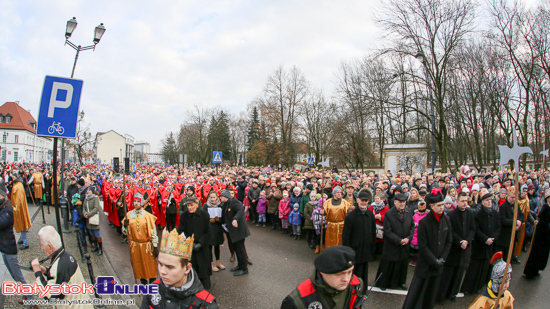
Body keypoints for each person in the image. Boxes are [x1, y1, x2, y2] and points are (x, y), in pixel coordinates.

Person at [141, 229, 218, 309]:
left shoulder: (205, 304)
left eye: (170, 267)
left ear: (187, 268)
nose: (162, 271)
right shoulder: (151, 291)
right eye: (160, 264)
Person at [402, 188, 452, 309]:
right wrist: (433, 260)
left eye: (443, 205)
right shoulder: (424, 222)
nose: (442, 208)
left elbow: (448, 241)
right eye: (439, 205)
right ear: (432, 206)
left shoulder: (447, 220)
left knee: (431, 295)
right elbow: (423, 246)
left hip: (439, 265)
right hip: (425, 265)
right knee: (417, 295)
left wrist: (442, 258)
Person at [280, 246, 364, 309]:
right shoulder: (298, 300)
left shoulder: (357, 285)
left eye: (350, 272)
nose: (346, 279)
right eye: (339, 274)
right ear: (323, 272)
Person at [31, 225, 93, 309]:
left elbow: (51, 297)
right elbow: (60, 276)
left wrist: (38, 273)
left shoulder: (59, 266)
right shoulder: (67, 256)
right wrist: (45, 270)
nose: (41, 248)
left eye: (42, 245)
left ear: (50, 247)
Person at [0, 179, 38, 308]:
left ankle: (32, 301)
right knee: (15, 275)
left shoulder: (7, 210)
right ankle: (25, 294)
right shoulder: (3, 207)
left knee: (18, 276)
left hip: (9, 249)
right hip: (4, 248)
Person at [437, 192, 475, 302]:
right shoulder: (451, 215)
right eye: (462, 201)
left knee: (459, 273)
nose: (464, 203)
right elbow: (450, 231)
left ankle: (453, 293)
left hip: (465, 249)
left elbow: (473, 228)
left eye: (466, 201)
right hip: (454, 249)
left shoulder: (470, 213)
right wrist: (460, 241)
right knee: (448, 274)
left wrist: (467, 241)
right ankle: (443, 294)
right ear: (457, 202)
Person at [461, 192, 501, 294]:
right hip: (480, 245)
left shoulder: (495, 214)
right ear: (482, 202)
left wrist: (493, 238)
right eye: (487, 201)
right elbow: (476, 229)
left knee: (485, 266)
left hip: (490, 245)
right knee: (475, 267)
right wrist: (485, 239)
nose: (489, 203)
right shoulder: (478, 215)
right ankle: (468, 287)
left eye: (490, 201)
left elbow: (498, 228)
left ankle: (479, 285)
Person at [375, 192, 414, 290]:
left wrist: (409, 238)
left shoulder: (408, 212)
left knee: (403, 265)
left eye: (404, 202)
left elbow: (412, 227)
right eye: (400, 202)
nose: (402, 204)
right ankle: (384, 283)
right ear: (395, 202)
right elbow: (387, 231)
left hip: (405, 244)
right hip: (392, 245)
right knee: (389, 265)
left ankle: (401, 282)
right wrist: (399, 240)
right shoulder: (389, 213)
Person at [342, 188, 375, 292]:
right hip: (354, 249)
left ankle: (363, 289)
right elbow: (346, 235)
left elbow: (373, 233)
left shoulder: (370, 215)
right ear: (358, 201)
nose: (364, 203)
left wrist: (372, 248)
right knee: (354, 272)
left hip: (365, 249)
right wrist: (347, 251)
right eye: (362, 200)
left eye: (366, 201)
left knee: (364, 271)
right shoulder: (351, 216)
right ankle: (352, 290)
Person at [122, 192, 159, 285]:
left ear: (141, 203)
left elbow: (153, 232)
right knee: (139, 265)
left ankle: (151, 281)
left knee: (150, 264)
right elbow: (125, 232)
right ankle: (143, 282)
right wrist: (125, 226)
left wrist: (155, 246)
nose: (135, 203)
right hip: (135, 245)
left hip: (147, 245)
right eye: (134, 201)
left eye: (137, 201)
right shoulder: (129, 215)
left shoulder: (148, 216)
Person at [178, 196, 212, 289]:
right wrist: (187, 242)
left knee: (203, 270)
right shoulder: (184, 216)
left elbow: (208, 232)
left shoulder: (204, 215)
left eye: (192, 205)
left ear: (197, 205)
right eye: (188, 205)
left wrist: (200, 243)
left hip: (202, 247)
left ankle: (205, 289)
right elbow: (180, 231)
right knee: (191, 269)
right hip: (189, 248)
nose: (189, 207)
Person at [220, 190, 250, 276]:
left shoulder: (233, 202)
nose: (220, 198)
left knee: (240, 250)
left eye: (221, 196)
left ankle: (244, 268)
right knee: (237, 249)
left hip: (238, 230)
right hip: (232, 231)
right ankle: (240, 265)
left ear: (226, 197)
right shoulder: (224, 205)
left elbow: (240, 210)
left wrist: (235, 219)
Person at [523, 188, 550, 278]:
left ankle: (537, 268)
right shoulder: (546, 207)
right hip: (542, 234)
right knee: (537, 252)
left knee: (542, 253)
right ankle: (531, 270)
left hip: (546, 234)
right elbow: (543, 219)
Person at [495, 186, 524, 264]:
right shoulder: (503, 207)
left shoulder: (516, 205)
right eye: (512, 197)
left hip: (514, 233)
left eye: (515, 197)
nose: (513, 199)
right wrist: (514, 222)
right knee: (505, 256)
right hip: (506, 236)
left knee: (510, 255)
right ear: (508, 196)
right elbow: (503, 220)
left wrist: (519, 223)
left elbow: (521, 215)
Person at [203, 191, 225, 272]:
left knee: (217, 246)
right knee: (209, 246)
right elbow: (203, 217)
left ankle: (218, 261)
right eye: (211, 197)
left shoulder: (220, 205)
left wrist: (218, 220)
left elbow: (223, 218)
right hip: (209, 229)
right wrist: (209, 220)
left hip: (218, 228)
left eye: (214, 197)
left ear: (216, 197)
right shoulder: (206, 205)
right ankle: (211, 263)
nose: (212, 199)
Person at [10, 170, 32, 250]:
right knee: (21, 224)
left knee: (22, 224)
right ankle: (23, 239)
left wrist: (15, 208)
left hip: (19, 208)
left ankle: (25, 242)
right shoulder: (18, 184)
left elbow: (18, 200)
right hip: (19, 208)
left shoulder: (18, 186)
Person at [83, 186, 103, 256]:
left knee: (97, 234)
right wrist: (84, 213)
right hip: (88, 219)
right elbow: (84, 207)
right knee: (92, 234)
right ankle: (96, 247)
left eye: (89, 190)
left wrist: (88, 214)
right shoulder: (86, 199)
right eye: (87, 190)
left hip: (94, 219)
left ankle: (100, 249)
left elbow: (96, 208)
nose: (87, 191)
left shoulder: (95, 198)